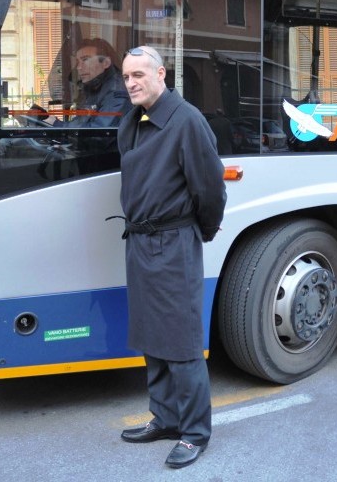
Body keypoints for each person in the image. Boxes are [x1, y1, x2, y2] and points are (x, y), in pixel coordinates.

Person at [115, 45, 227, 469]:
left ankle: (195, 433)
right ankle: (164, 417)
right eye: (126, 77)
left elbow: (210, 189)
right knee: (152, 338)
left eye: (139, 74)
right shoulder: (131, 122)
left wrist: (202, 231)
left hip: (173, 242)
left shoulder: (187, 121)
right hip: (140, 243)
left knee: (180, 344)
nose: (131, 83)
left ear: (162, 74)